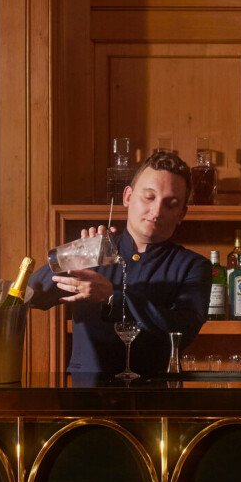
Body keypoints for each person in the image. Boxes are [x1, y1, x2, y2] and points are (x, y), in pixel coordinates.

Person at [25, 154, 209, 376]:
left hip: (154, 398)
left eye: (170, 204)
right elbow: (31, 295)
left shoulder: (193, 266)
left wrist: (113, 297)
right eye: (149, 197)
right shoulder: (92, 251)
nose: (157, 211)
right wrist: (74, 254)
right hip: (89, 396)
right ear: (128, 197)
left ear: (181, 214)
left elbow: (183, 330)